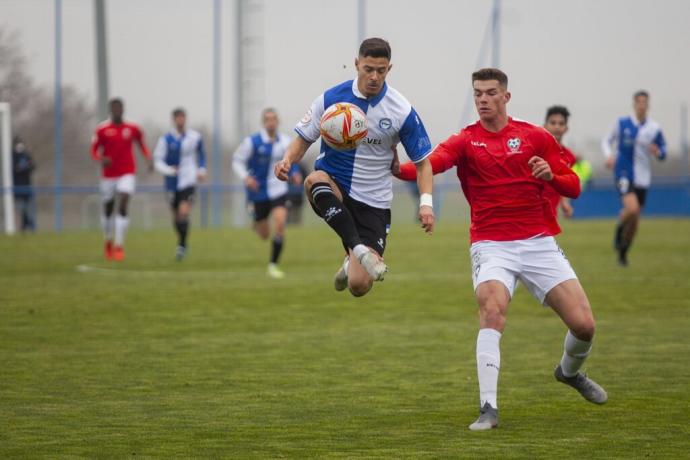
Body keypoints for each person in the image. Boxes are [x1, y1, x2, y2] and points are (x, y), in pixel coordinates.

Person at [395, 68, 607, 431]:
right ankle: (488, 408)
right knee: (492, 311)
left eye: (490, 93)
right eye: (477, 93)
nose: (482, 100)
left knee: (584, 325)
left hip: (538, 243)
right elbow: (429, 165)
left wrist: (550, 177)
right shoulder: (465, 141)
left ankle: (569, 372)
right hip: (491, 245)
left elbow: (573, 186)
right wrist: (394, 168)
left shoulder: (535, 137)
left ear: (506, 97)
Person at [274, 37, 435, 296]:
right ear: (356, 64)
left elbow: (423, 164)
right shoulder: (332, 98)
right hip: (334, 182)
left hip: (374, 199)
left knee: (359, 286)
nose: (374, 76)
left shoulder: (401, 110)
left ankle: (352, 260)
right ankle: (357, 249)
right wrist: (287, 160)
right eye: (368, 69)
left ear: (389, 69)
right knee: (314, 180)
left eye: (380, 71)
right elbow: (304, 138)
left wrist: (426, 203)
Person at [233, 108, 300, 279]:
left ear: (278, 122)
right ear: (264, 122)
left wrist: (295, 173)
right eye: (268, 119)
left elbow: (292, 159)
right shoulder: (252, 142)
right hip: (258, 192)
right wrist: (246, 178)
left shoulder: (285, 141)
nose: (271, 122)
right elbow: (237, 161)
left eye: (274, 119)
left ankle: (273, 265)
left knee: (280, 224)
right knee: (264, 234)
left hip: (279, 190)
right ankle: (257, 222)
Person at [602, 90, 666, 266]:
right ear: (634, 104)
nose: (642, 105)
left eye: (645, 102)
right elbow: (607, 140)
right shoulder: (622, 123)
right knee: (632, 209)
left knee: (635, 221)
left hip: (643, 178)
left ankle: (623, 253)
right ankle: (619, 229)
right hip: (623, 172)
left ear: (648, 105)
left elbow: (663, 151)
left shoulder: (654, 128)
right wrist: (609, 155)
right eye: (639, 102)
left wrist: (658, 151)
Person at [91, 98, 151, 261]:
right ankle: (108, 240)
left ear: (123, 109)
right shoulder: (102, 129)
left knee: (124, 201)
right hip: (109, 175)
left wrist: (148, 158)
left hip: (127, 172)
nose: (117, 111)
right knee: (108, 208)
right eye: (114, 108)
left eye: (120, 108)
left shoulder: (132, 128)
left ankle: (119, 245)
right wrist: (101, 158)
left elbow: (141, 144)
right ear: (110, 110)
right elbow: (94, 150)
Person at [153, 108, 207, 261]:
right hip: (171, 182)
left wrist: (201, 169)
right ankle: (182, 241)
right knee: (176, 217)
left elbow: (202, 154)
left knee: (184, 212)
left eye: (183, 117)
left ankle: (181, 245)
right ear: (174, 120)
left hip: (188, 180)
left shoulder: (195, 137)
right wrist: (169, 170)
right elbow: (157, 160)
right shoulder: (166, 140)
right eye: (178, 118)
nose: (181, 120)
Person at [543, 105, 577, 218]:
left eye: (561, 123)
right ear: (545, 126)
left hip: (552, 211)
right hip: (532, 207)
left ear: (566, 128)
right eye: (553, 123)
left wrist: (565, 202)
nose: (557, 127)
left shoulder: (569, 157)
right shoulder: (535, 150)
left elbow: (565, 182)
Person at [12, 136, 36, 232]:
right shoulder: (12, 156)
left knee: (27, 206)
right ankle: (28, 224)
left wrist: (26, 167)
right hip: (16, 186)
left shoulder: (26, 155)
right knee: (21, 207)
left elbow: (33, 166)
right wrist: (22, 168)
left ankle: (25, 225)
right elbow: (15, 169)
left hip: (27, 185)